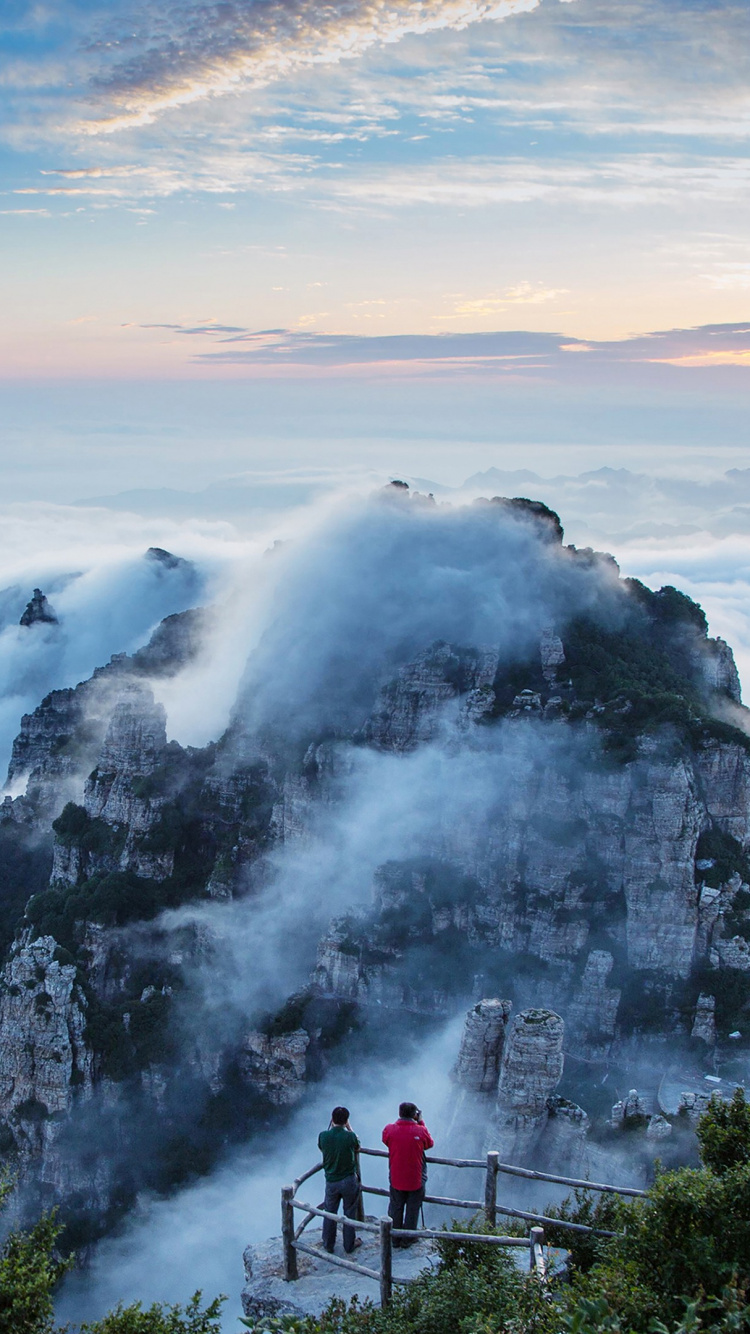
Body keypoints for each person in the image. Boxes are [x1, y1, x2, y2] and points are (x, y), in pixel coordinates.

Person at [382, 1101, 434, 1245]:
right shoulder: (420, 1130)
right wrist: (421, 1122)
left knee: (396, 1207)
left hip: (396, 1177)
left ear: (399, 1113)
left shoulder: (389, 1129)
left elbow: (386, 1139)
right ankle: (408, 1238)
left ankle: (395, 1237)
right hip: (415, 1179)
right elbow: (429, 1144)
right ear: (414, 1115)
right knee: (412, 1209)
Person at [317, 1105, 362, 1254]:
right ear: (346, 1120)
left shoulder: (323, 1136)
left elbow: (321, 1147)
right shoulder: (350, 1136)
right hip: (348, 1179)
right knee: (349, 1212)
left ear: (332, 1119)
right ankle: (349, 1245)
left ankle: (328, 1243)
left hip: (331, 1180)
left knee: (330, 1211)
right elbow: (357, 1146)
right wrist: (349, 1128)